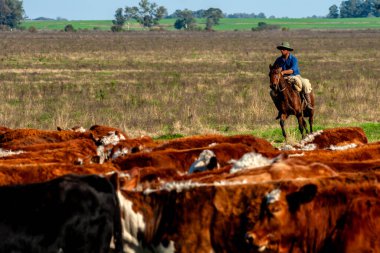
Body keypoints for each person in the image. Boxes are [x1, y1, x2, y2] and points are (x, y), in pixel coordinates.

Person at [273, 41, 313, 110]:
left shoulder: (294, 59)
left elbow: (292, 70)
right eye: (281, 49)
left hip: (295, 76)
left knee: (306, 83)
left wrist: (282, 72)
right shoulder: (278, 60)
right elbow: (274, 69)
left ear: (288, 50)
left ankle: (308, 103)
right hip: (283, 78)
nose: (282, 50)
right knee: (272, 92)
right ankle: (279, 108)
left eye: (284, 49)